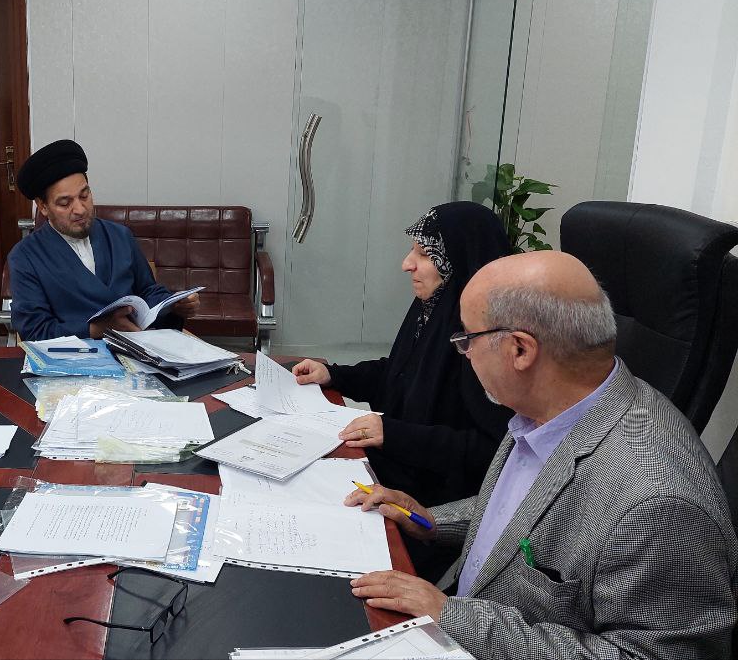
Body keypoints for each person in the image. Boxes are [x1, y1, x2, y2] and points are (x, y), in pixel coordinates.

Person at [346, 251, 738, 660]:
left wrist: (453, 617)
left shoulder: (656, 503)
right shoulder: (552, 406)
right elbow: (529, 510)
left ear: (520, 350)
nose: (465, 354)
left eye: (467, 339)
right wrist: (429, 520)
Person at [293, 202, 512, 508]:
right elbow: (400, 373)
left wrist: (395, 435)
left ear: (457, 261)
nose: (407, 264)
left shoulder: (485, 337)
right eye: (413, 251)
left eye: (425, 254)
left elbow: (494, 451)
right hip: (398, 468)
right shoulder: (434, 308)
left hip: (436, 499)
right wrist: (335, 375)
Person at [8, 139, 198, 341]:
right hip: (75, 356)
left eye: (84, 195)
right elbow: (35, 330)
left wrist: (174, 305)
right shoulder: (25, 256)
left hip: (137, 348)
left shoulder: (119, 236)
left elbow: (148, 291)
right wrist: (96, 329)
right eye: (65, 203)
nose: (80, 210)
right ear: (43, 207)